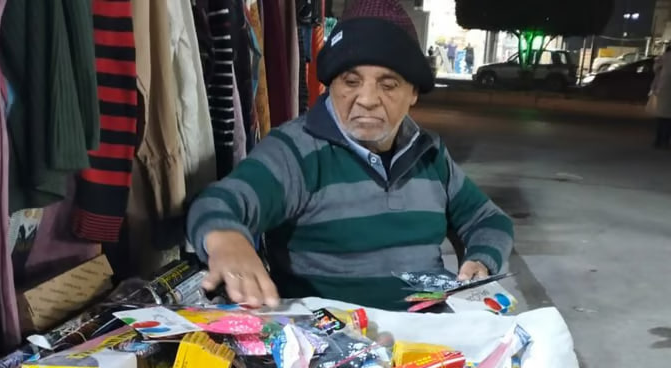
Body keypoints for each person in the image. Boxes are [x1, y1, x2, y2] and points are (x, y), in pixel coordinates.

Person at [185, 0, 514, 310]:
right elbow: (218, 202)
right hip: (334, 349)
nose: (367, 99)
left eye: (388, 84)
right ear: (331, 84)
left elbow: (488, 219)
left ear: (413, 92)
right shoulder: (296, 151)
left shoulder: (429, 153)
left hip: (429, 345)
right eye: (351, 81)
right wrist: (227, 240)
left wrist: (481, 260)